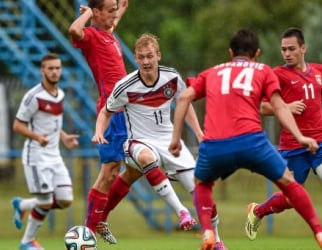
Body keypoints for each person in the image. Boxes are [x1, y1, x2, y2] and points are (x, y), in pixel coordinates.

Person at [169, 28, 322, 250]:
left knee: (202, 185)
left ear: (230, 52)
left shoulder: (212, 72)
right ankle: (320, 233)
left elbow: (184, 97)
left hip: (215, 145)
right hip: (252, 143)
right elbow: (279, 106)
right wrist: (299, 136)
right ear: (257, 52)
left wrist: (176, 138)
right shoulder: (263, 70)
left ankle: (207, 232)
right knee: (290, 185)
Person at [69, 0, 197, 244]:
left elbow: (110, 23)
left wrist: (119, 11)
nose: (114, 16)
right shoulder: (92, 36)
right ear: (96, 13)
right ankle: (88, 234)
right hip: (113, 111)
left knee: (135, 170)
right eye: (110, 11)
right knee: (109, 172)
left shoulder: (106, 33)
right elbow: (74, 31)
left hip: (130, 110)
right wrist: (87, 15)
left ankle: (101, 218)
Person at [91, 32, 226, 250]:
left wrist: (200, 134)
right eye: (141, 57)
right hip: (138, 143)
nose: (146, 61)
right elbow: (106, 112)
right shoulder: (126, 86)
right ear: (136, 59)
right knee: (145, 158)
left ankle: (217, 240)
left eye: (149, 56)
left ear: (158, 56)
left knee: (201, 190)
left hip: (169, 141)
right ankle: (181, 211)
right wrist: (99, 132)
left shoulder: (171, 78)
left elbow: (186, 102)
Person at [245, 27, 322, 250]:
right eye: (283, 50)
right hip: (293, 146)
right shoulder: (277, 75)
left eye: (291, 49)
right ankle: (258, 211)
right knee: (291, 199)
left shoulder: (319, 70)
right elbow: (260, 106)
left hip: (321, 141)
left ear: (303, 48)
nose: (287, 53)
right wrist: (286, 107)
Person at [11, 53, 79, 250]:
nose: (55, 71)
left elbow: (53, 124)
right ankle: (26, 242)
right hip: (36, 156)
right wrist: (36, 137)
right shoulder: (33, 96)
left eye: (57, 68)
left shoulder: (61, 95)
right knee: (46, 201)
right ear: (43, 71)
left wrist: (64, 136)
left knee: (65, 199)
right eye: (50, 68)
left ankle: (23, 205)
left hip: (54, 156)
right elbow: (17, 125)